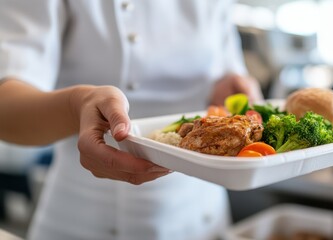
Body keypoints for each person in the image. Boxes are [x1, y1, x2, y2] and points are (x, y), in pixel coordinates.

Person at [0, 1, 263, 240]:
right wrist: (76, 106)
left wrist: (231, 89)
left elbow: (226, 70)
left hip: (203, 214)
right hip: (90, 220)